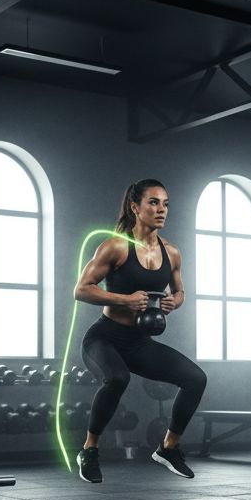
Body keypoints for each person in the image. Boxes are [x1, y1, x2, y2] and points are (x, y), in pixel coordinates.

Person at [73, 179, 207, 483]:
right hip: (104, 338)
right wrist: (125, 299)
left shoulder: (171, 252)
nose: (161, 210)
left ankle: (169, 447)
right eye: (153, 203)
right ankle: (90, 449)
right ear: (135, 207)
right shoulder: (115, 246)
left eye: (166, 204)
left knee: (196, 379)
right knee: (118, 377)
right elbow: (81, 290)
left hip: (138, 342)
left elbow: (181, 291)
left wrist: (175, 302)